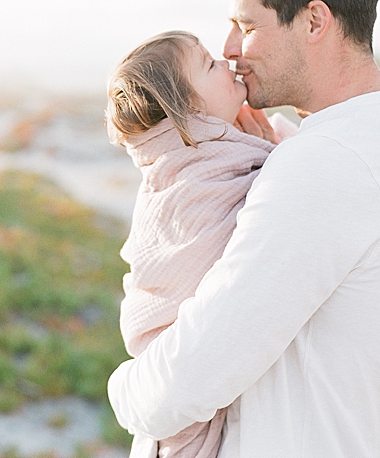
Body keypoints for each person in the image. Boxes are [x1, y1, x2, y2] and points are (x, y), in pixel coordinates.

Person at [107, 0, 380, 458]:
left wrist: (123, 387)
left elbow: (185, 382)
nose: (230, 47)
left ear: (314, 21)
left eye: (247, 24)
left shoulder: (327, 165)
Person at [106, 31, 280, 458]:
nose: (224, 60)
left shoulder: (212, 157)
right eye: (207, 65)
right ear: (189, 110)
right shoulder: (186, 183)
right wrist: (275, 159)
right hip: (170, 364)